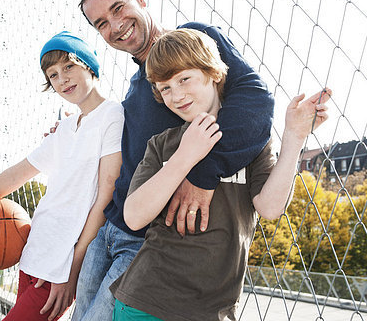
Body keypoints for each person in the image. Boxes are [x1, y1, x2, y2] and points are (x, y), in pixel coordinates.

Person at [72, 0, 275, 321]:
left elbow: (256, 102)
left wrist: (204, 172)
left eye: (118, 8)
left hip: (145, 240)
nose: (116, 25)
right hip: (109, 227)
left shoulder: (196, 39)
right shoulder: (138, 88)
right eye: (101, 23)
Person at [110, 28, 331, 320]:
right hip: (147, 301)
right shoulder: (163, 144)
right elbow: (135, 216)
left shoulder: (250, 141)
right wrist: (185, 156)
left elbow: (270, 207)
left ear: (213, 73)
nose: (176, 95)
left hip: (212, 310)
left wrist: (294, 138)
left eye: (184, 79)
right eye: (165, 88)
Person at [0, 31, 124, 321]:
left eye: (69, 67)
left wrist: (72, 270)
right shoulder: (65, 128)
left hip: (60, 265)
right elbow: (15, 174)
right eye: (53, 75)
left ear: (89, 65)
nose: (62, 79)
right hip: (34, 252)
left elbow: (105, 195)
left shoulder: (112, 115)